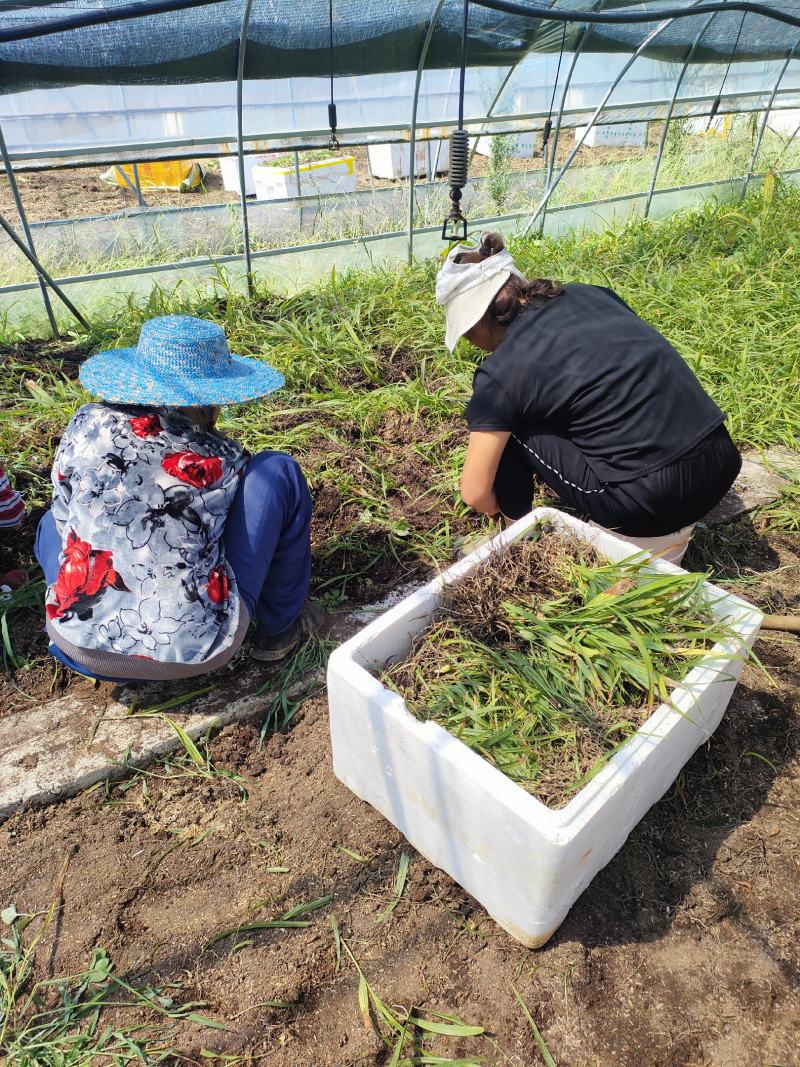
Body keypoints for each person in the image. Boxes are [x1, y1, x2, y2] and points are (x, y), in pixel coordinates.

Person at [34, 314, 314, 683]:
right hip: (191, 652)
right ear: (213, 396)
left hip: (75, 642)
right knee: (278, 472)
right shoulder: (221, 459)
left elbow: (64, 513)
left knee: (48, 525)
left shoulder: (87, 424)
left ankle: (96, 614)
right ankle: (278, 630)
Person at [436, 232, 741, 563]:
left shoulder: (500, 375)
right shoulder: (589, 294)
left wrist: (500, 505)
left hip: (651, 502)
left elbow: (475, 491)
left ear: (478, 321)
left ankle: (517, 542)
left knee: (511, 429)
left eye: (466, 333)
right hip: (720, 460)